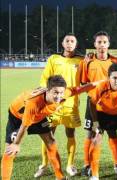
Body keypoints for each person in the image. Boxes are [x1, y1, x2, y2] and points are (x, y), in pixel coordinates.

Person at [1, 75, 98, 180]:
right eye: (55, 92)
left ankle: (60, 177)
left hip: (40, 117)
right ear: (47, 90)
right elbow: (24, 125)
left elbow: (81, 89)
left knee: (51, 141)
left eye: (61, 92)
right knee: (10, 150)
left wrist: (103, 82)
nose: (59, 96)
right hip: (18, 117)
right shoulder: (33, 102)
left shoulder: (63, 94)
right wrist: (16, 144)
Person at [36, 33, 83, 177]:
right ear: (62, 43)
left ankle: (70, 165)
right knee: (47, 134)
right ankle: (44, 164)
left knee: (70, 133)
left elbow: (86, 80)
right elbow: (44, 81)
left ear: (76, 44)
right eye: (67, 41)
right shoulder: (53, 59)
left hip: (71, 105)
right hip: (52, 106)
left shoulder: (81, 61)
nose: (69, 43)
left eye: (72, 41)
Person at [79, 31, 117, 176]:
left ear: (108, 44)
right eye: (99, 42)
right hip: (93, 103)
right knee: (90, 134)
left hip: (111, 104)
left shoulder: (115, 62)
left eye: (104, 42)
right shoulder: (88, 62)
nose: (102, 45)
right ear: (94, 45)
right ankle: (87, 165)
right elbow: (83, 83)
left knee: (112, 133)